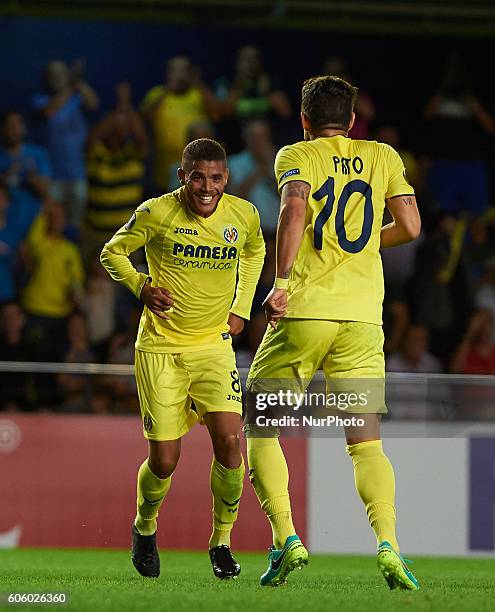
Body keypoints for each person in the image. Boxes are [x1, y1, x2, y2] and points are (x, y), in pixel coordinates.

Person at [245, 76, 421, 589]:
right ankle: (388, 543)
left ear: (304, 120)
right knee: (366, 444)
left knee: (261, 425)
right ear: (351, 120)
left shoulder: (296, 156)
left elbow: (295, 206)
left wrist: (279, 284)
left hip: (305, 313)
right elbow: (410, 226)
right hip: (362, 320)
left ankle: (286, 538)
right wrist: (364, 246)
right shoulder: (383, 156)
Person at [100, 138, 265, 580]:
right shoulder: (157, 212)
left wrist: (241, 308)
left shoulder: (243, 215)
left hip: (213, 345)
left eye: (215, 178)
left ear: (225, 178)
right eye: (197, 177)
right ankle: (145, 526)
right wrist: (140, 286)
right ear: (182, 177)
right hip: (161, 349)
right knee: (165, 461)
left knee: (231, 443)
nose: (206, 187)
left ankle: (221, 542)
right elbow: (111, 251)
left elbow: (254, 251)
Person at [32, 59, 99, 230]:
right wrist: (71, 84)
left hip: (77, 173)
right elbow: (49, 111)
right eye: (53, 74)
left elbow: (93, 103)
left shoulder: (76, 97)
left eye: (61, 74)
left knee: (75, 224)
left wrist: (77, 81)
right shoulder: (40, 100)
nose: (57, 78)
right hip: (53, 175)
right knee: (51, 224)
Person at [140, 57, 221, 193]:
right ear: (168, 74)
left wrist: (198, 82)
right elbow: (144, 117)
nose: (180, 75)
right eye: (175, 70)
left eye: (184, 70)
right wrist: (167, 90)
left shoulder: (197, 94)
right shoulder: (157, 94)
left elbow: (218, 113)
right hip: (164, 172)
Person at [228, 120, 280, 235]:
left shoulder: (281, 161)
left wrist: (268, 167)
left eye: (262, 136)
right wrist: (259, 170)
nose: (258, 141)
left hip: (277, 231)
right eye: (254, 136)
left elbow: (287, 196)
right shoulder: (234, 163)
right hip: (247, 232)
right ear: (245, 139)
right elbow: (234, 200)